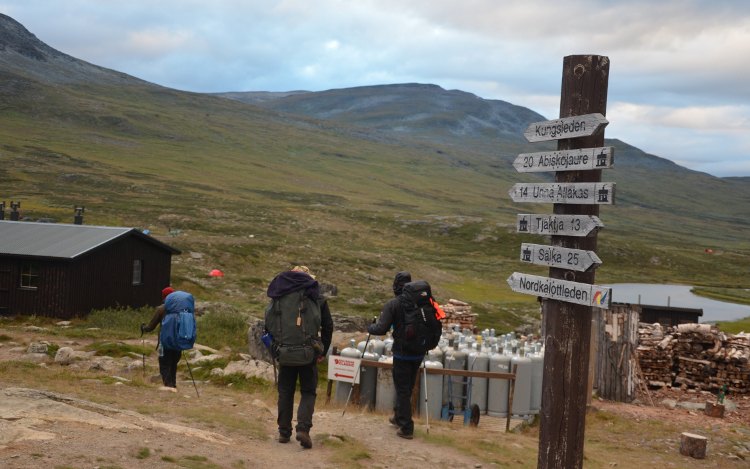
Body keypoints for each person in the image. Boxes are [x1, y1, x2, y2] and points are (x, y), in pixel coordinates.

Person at [267, 266, 333, 449]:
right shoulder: (316, 296)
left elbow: (268, 324)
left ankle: (283, 431)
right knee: (308, 391)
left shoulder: (279, 294)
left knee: (285, 392)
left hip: (285, 352)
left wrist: (275, 348)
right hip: (308, 353)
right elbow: (328, 326)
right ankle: (303, 429)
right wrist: (322, 351)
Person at [367, 271, 422, 440]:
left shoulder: (394, 304)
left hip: (402, 353)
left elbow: (381, 329)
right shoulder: (420, 302)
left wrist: (370, 327)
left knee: (402, 389)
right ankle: (399, 416)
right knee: (408, 386)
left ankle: (406, 427)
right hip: (419, 352)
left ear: (395, 286)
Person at [140, 286, 181, 392]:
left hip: (165, 341)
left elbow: (151, 327)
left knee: (164, 363)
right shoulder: (181, 308)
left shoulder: (161, 309)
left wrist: (143, 328)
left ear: (164, 297)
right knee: (173, 364)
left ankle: (168, 386)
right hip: (178, 342)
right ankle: (173, 385)